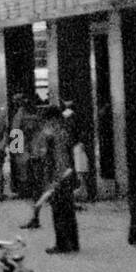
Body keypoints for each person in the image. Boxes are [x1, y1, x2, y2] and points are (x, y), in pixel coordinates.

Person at [32, 105, 78, 253]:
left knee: (59, 210)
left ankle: (63, 244)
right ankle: (72, 242)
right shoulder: (64, 129)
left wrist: (17, 153)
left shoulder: (51, 132)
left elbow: (15, 132)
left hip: (55, 173)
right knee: (67, 209)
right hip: (65, 173)